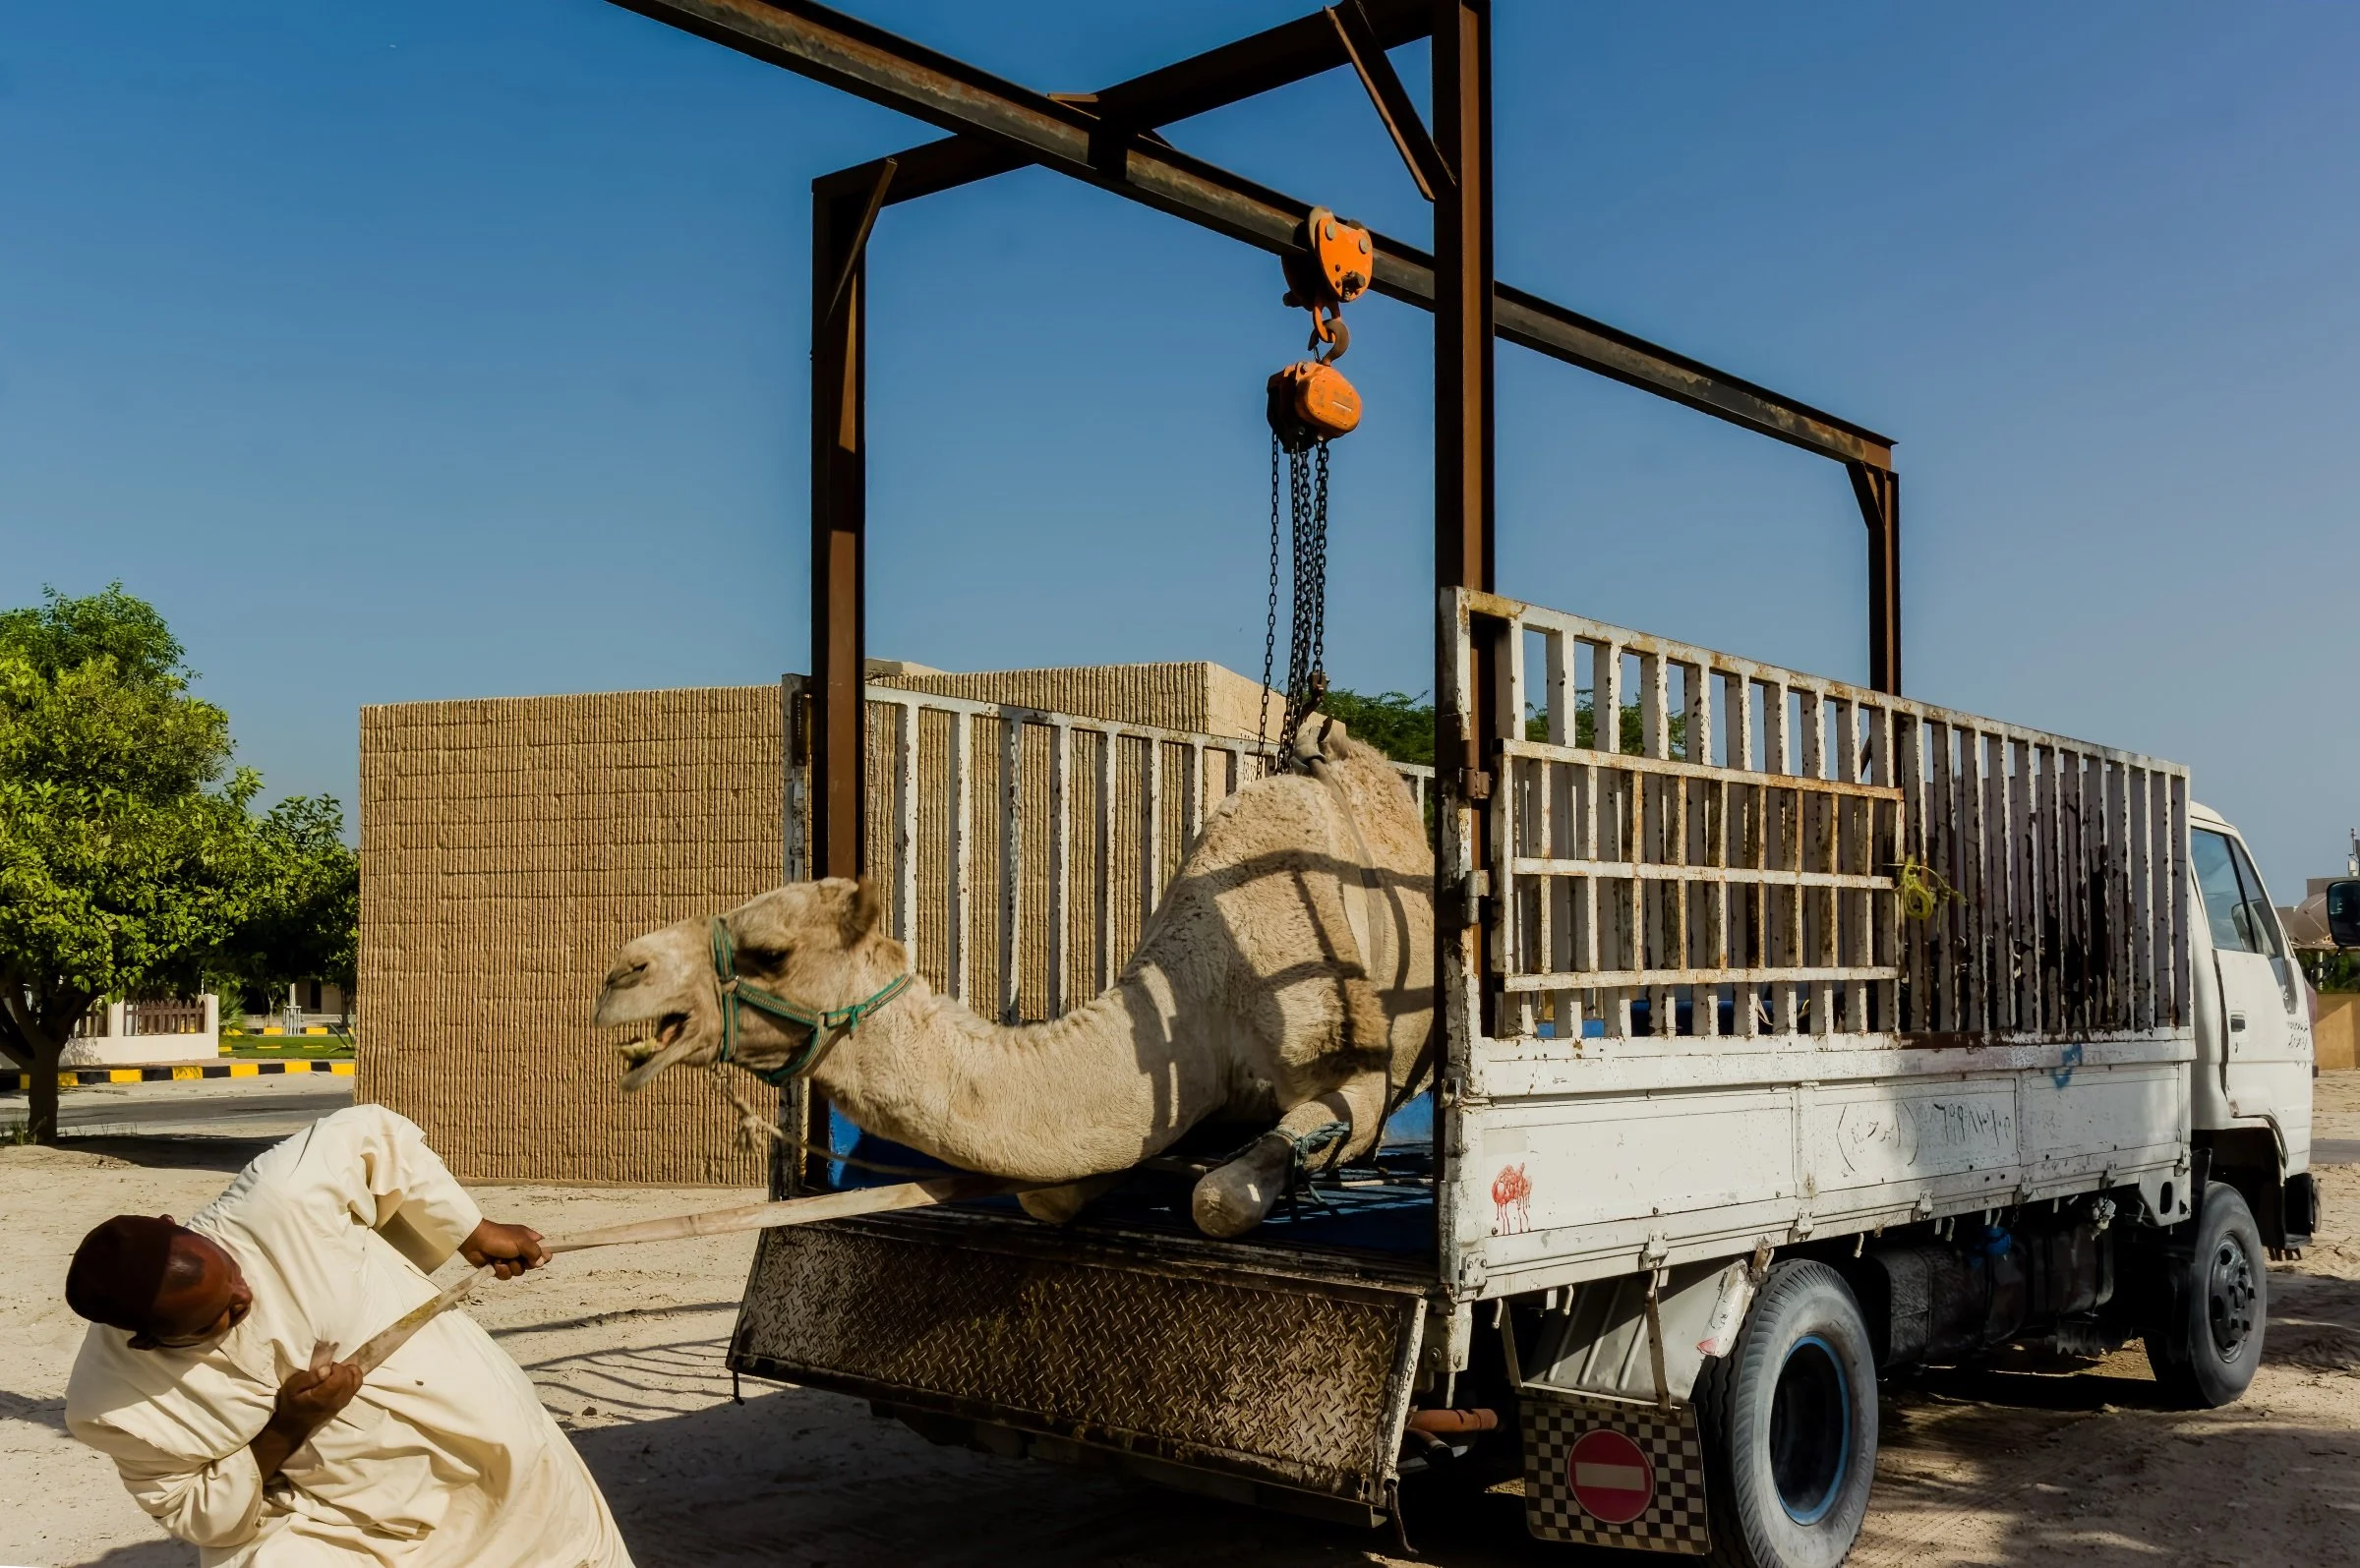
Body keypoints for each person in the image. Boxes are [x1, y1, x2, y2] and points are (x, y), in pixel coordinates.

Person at [62, 1104, 633, 1566]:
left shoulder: (277, 1203)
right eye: (221, 1317)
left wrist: (470, 1229)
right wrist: (290, 1424)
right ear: (145, 1339)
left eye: (230, 1273)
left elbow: (374, 1138)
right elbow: (195, 1512)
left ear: (174, 1225)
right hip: (352, 1526)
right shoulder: (116, 1400)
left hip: (512, 1471)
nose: (246, 1297)